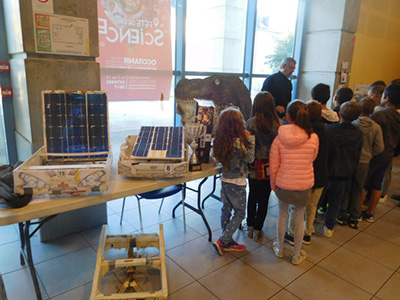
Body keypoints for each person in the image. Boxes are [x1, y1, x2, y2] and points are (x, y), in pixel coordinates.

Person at [269, 100, 319, 265]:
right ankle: (297, 255)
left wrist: (273, 184)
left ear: (288, 116)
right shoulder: (313, 137)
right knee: (299, 217)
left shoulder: (280, 137)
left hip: (284, 182)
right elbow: (312, 158)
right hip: (304, 184)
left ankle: (280, 249)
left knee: (282, 215)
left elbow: (274, 163)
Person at [286, 100, 336, 245]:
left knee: (296, 205)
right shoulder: (328, 133)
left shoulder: (303, 134)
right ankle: (308, 232)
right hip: (321, 176)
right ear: (320, 116)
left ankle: (292, 232)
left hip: (303, 176)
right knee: (312, 206)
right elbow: (333, 155)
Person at [212, 107, 255, 255]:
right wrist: (250, 139)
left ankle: (227, 239)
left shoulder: (220, 140)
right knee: (240, 213)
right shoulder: (238, 143)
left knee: (226, 210)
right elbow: (250, 158)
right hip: (238, 182)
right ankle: (223, 240)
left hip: (224, 180)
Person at [337, 97, 384, 229]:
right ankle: (354, 216)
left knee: (347, 186)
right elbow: (380, 147)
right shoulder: (376, 127)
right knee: (359, 188)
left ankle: (342, 213)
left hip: (350, 160)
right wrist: (369, 155)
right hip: (364, 162)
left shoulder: (353, 125)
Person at [321, 101, 363, 237]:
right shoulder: (358, 133)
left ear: (339, 114)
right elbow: (357, 154)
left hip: (327, 170)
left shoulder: (329, 130)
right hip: (344, 171)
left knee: (318, 197)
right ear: (357, 117)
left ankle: (308, 223)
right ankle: (329, 227)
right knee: (335, 201)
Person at [361, 84, 400, 222]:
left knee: (364, 183)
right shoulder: (398, 116)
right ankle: (370, 212)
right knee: (377, 185)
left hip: (375, 154)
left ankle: (358, 211)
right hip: (388, 155)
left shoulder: (379, 115)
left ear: (386, 98)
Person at [246, 92, 281, 241]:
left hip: (254, 164)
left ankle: (250, 226)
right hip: (270, 165)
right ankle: (259, 228)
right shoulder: (278, 124)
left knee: (253, 195)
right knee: (265, 197)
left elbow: (247, 144)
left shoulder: (251, 123)